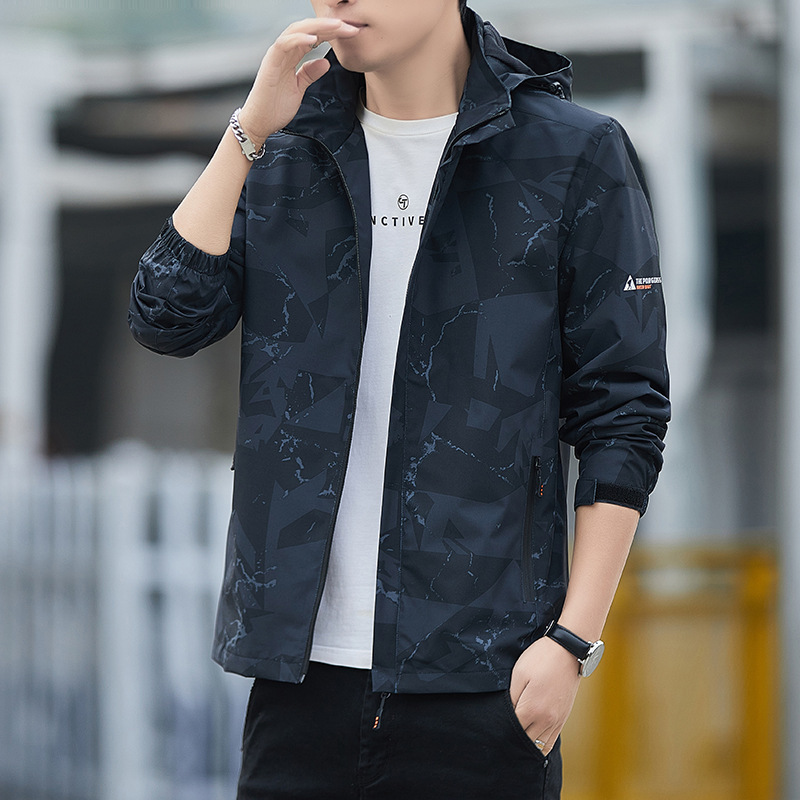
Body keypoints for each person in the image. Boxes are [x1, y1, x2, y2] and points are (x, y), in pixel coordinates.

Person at [129, 0, 669, 797]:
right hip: (297, 686)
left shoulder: (571, 154)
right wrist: (248, 131)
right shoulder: (284, 150)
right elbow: (166, 318)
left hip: (484, 687)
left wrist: (571, 643)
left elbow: (624, 414)